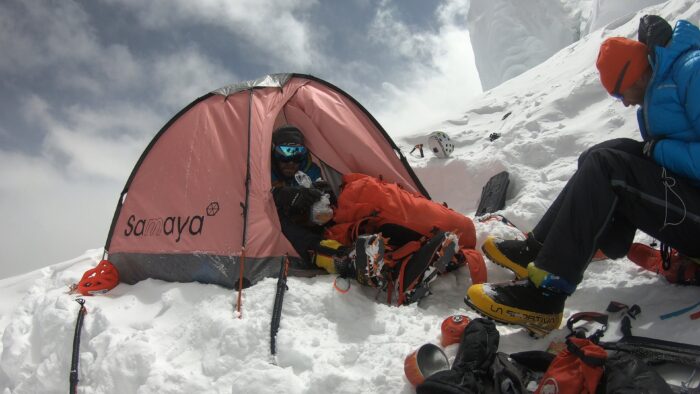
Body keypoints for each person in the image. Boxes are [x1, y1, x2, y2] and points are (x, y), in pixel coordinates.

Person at [465, 18, 700, 336]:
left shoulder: (692, 72)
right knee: (600, 155)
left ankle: (545, 296)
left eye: (622, 94)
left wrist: (656, 151)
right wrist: (654, 151)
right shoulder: (661, 84)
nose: (626, 102)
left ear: (634, 74)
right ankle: (539, 250)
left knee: (608, 166)